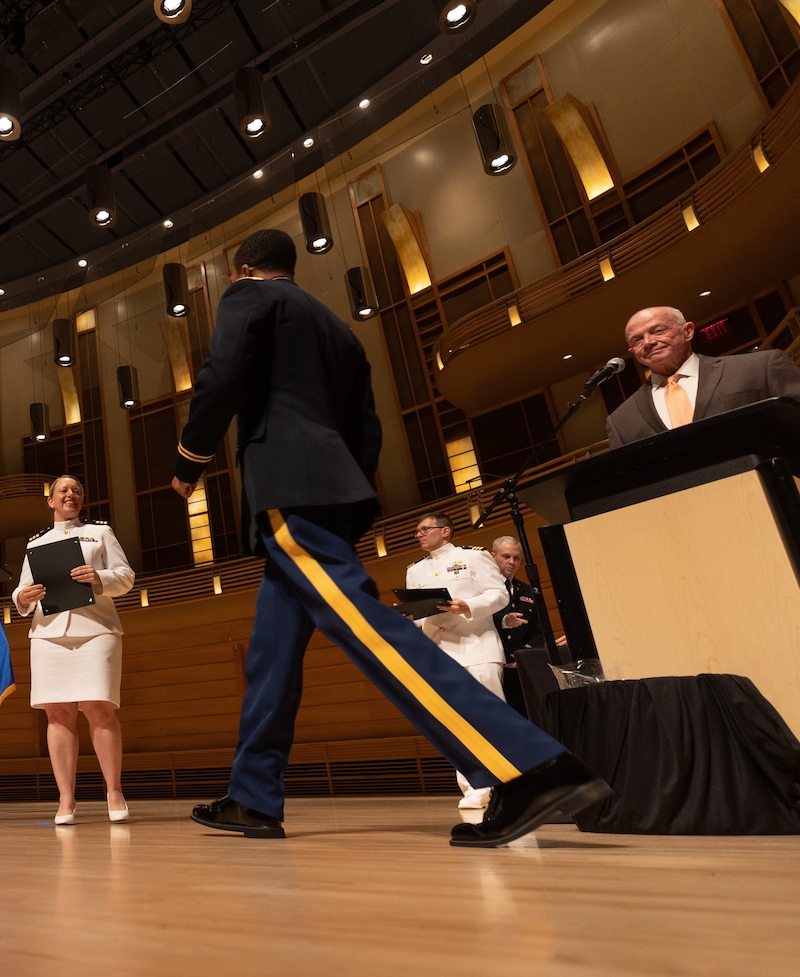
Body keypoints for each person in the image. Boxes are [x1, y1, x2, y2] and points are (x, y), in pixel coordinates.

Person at [170, 227, 607, 847]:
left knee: (370, 627)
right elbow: (366, 429)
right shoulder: (338, 330)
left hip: (288, 487)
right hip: (331, 487)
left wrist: (189, 459)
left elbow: (220, 377)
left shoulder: (249, 299)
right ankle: (253, 796)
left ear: (243, 270)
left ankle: (528, 764)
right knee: (271, 656)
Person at [12, 476, 136, 824]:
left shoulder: (100, 533)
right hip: (49, 635)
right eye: (63, 490)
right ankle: (66, 799)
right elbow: (21, 592)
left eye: (77, 490)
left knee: (100, 708)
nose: (71, 494)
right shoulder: (36, 543)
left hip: (96, 630)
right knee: (57, 714)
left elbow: (125, 576)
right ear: (50, 501)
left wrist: (100, 577)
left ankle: (113, 791)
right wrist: (23, 597)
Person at [407, 513, 508, 811]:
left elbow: (499, 595)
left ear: (446, 531)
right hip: (440, 653)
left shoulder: (473, 558)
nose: (419, 534)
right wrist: (407, 618)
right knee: (456, 723)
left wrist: (469, 605)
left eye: (425, 529)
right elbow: (420, 612)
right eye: (417, 531)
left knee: (491, 719)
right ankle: (474, 786)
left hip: (476, 647)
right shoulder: (414, 571)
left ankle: (507, 784)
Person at [605, 306, 800, 447]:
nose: (648, 342)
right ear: (632, 351)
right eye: (637, 340)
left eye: (658, 331)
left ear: (688, 331)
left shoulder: (760, 367)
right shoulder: (621, 420)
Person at [491, 535, 545, 715]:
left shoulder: (527, 590)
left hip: (519, 670)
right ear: (493, 557)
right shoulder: (482, 589)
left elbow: (539, 632)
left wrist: (524, 654)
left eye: (516, 558)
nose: (512, 562)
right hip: (492, 666)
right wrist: (503, 620)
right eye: (506, 556)